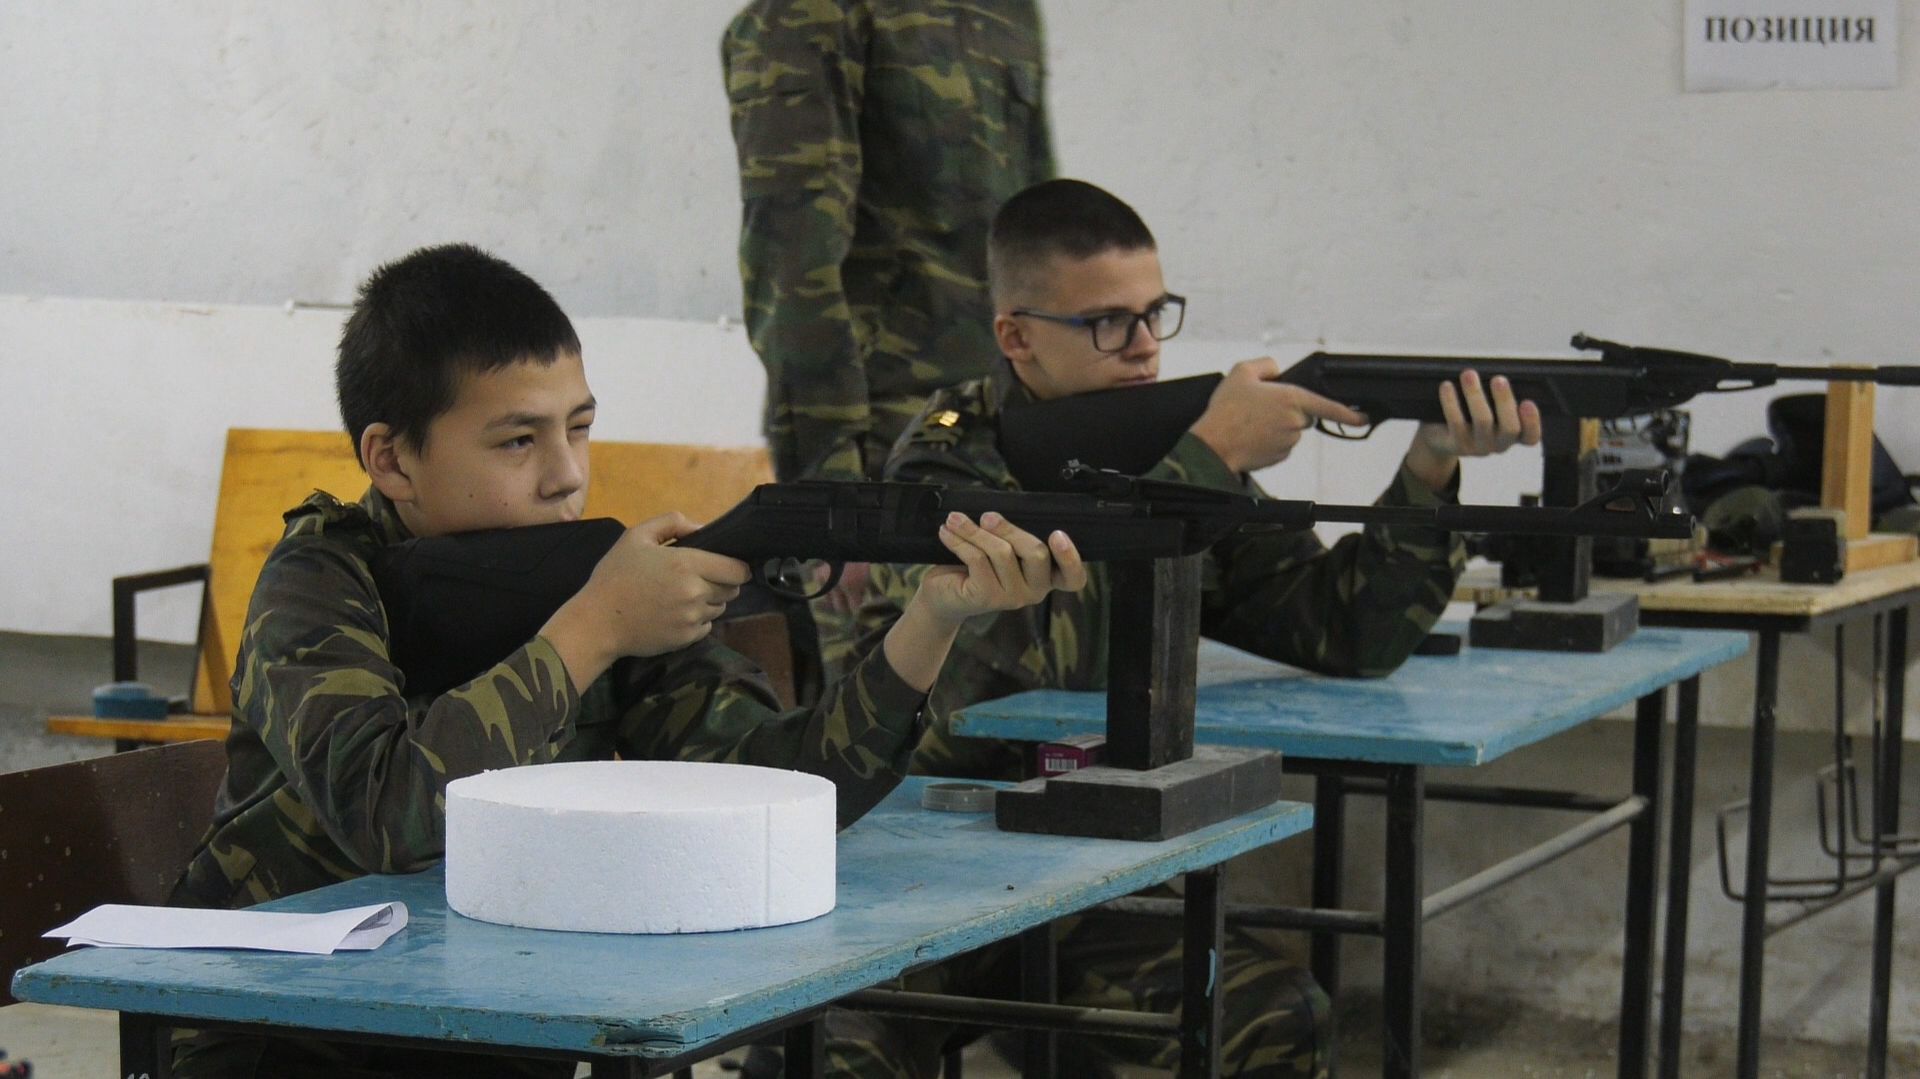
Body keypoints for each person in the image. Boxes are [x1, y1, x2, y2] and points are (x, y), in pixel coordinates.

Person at [167, 243, 1086, 1078]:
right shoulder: (321, 580)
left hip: (494, 1016)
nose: (567, 473)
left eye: (580, 426)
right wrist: (596, 625)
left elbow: (778, 793)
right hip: (273, 1025)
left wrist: (931, 621)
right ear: (392, 460)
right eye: (519, 440)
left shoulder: (582, 581)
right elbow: (389, 811)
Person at [842, 179, 1543, 1076]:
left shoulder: (1159, 453)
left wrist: (1430, 464)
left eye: (1155, 314)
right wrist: (1204, 460)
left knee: (1275, 1015)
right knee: (830, 1050)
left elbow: (1344, 631)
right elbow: (1006, 676)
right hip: (918, 872)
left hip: (1083, 874)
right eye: (1107, 323)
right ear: (1015, 336)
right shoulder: (942, 458)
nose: (1143, 350)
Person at [721, 0, 1055, 484]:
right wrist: (828, 476)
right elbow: (790, 262)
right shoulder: (810, 15)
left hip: (1005, 423)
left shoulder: (1007, 12)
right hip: (888, 434)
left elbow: (1042, 234)